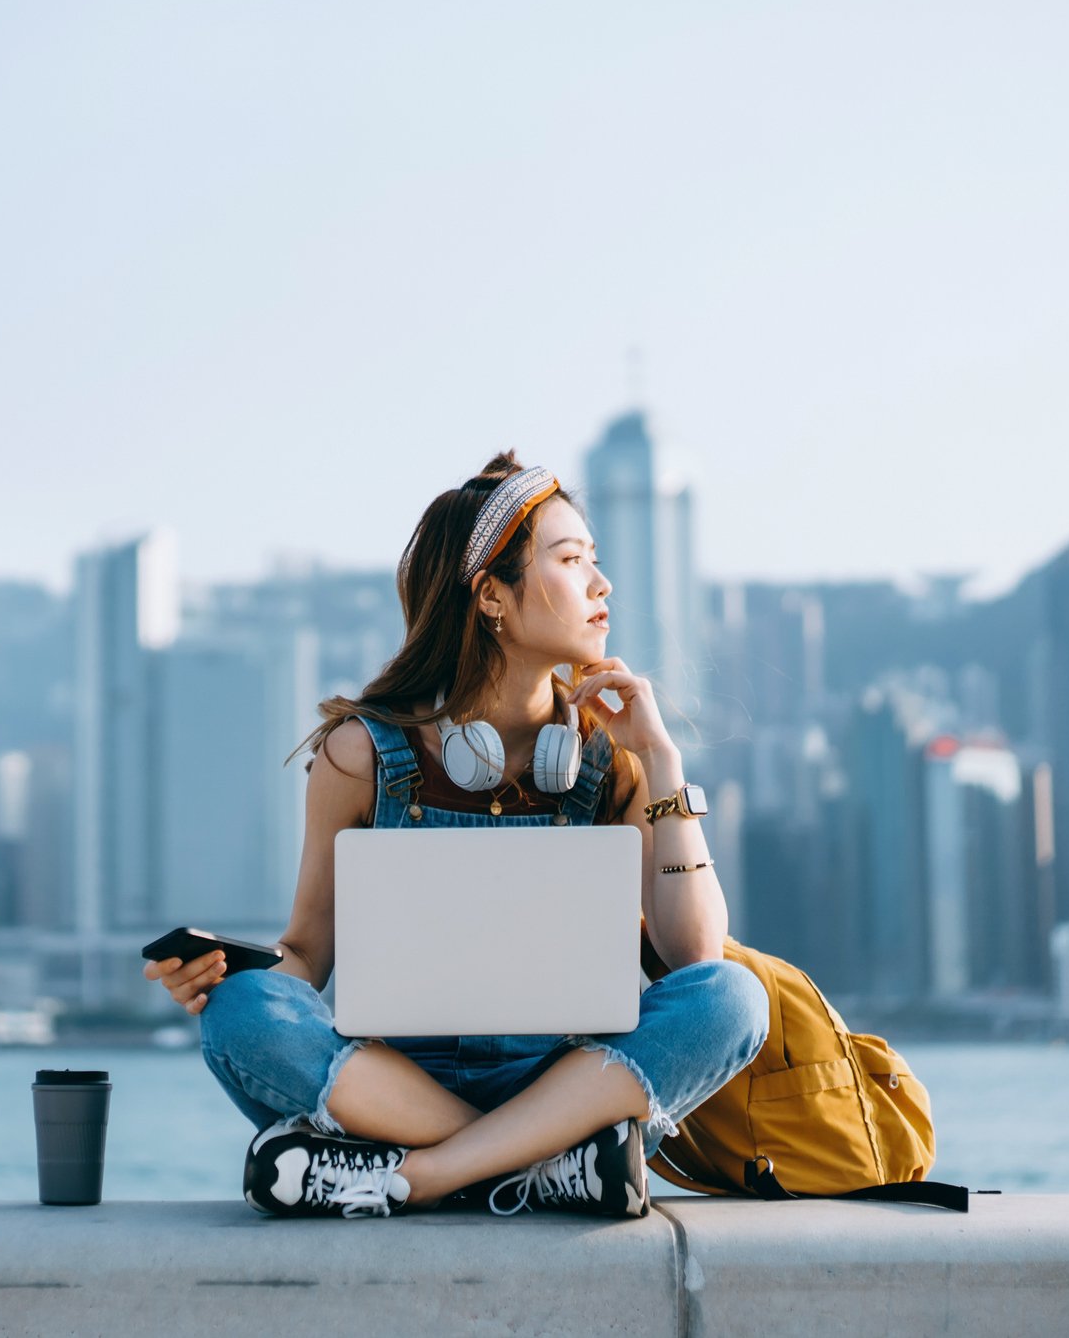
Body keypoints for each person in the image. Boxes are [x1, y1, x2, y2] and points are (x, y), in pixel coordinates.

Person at [145, 451, 770, 1219]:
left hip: (559, 1079)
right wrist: (225, 970)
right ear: (491, 597)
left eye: (594, 563)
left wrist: (663, 763)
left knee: (733, 997)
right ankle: (546, 1169)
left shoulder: (611, 756)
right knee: (240, 1011)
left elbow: (693, 955)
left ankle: (422, 1178)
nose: (601, 585)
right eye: (572, 561)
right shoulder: (362, 753)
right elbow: (306, 953)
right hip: (388, 1084)